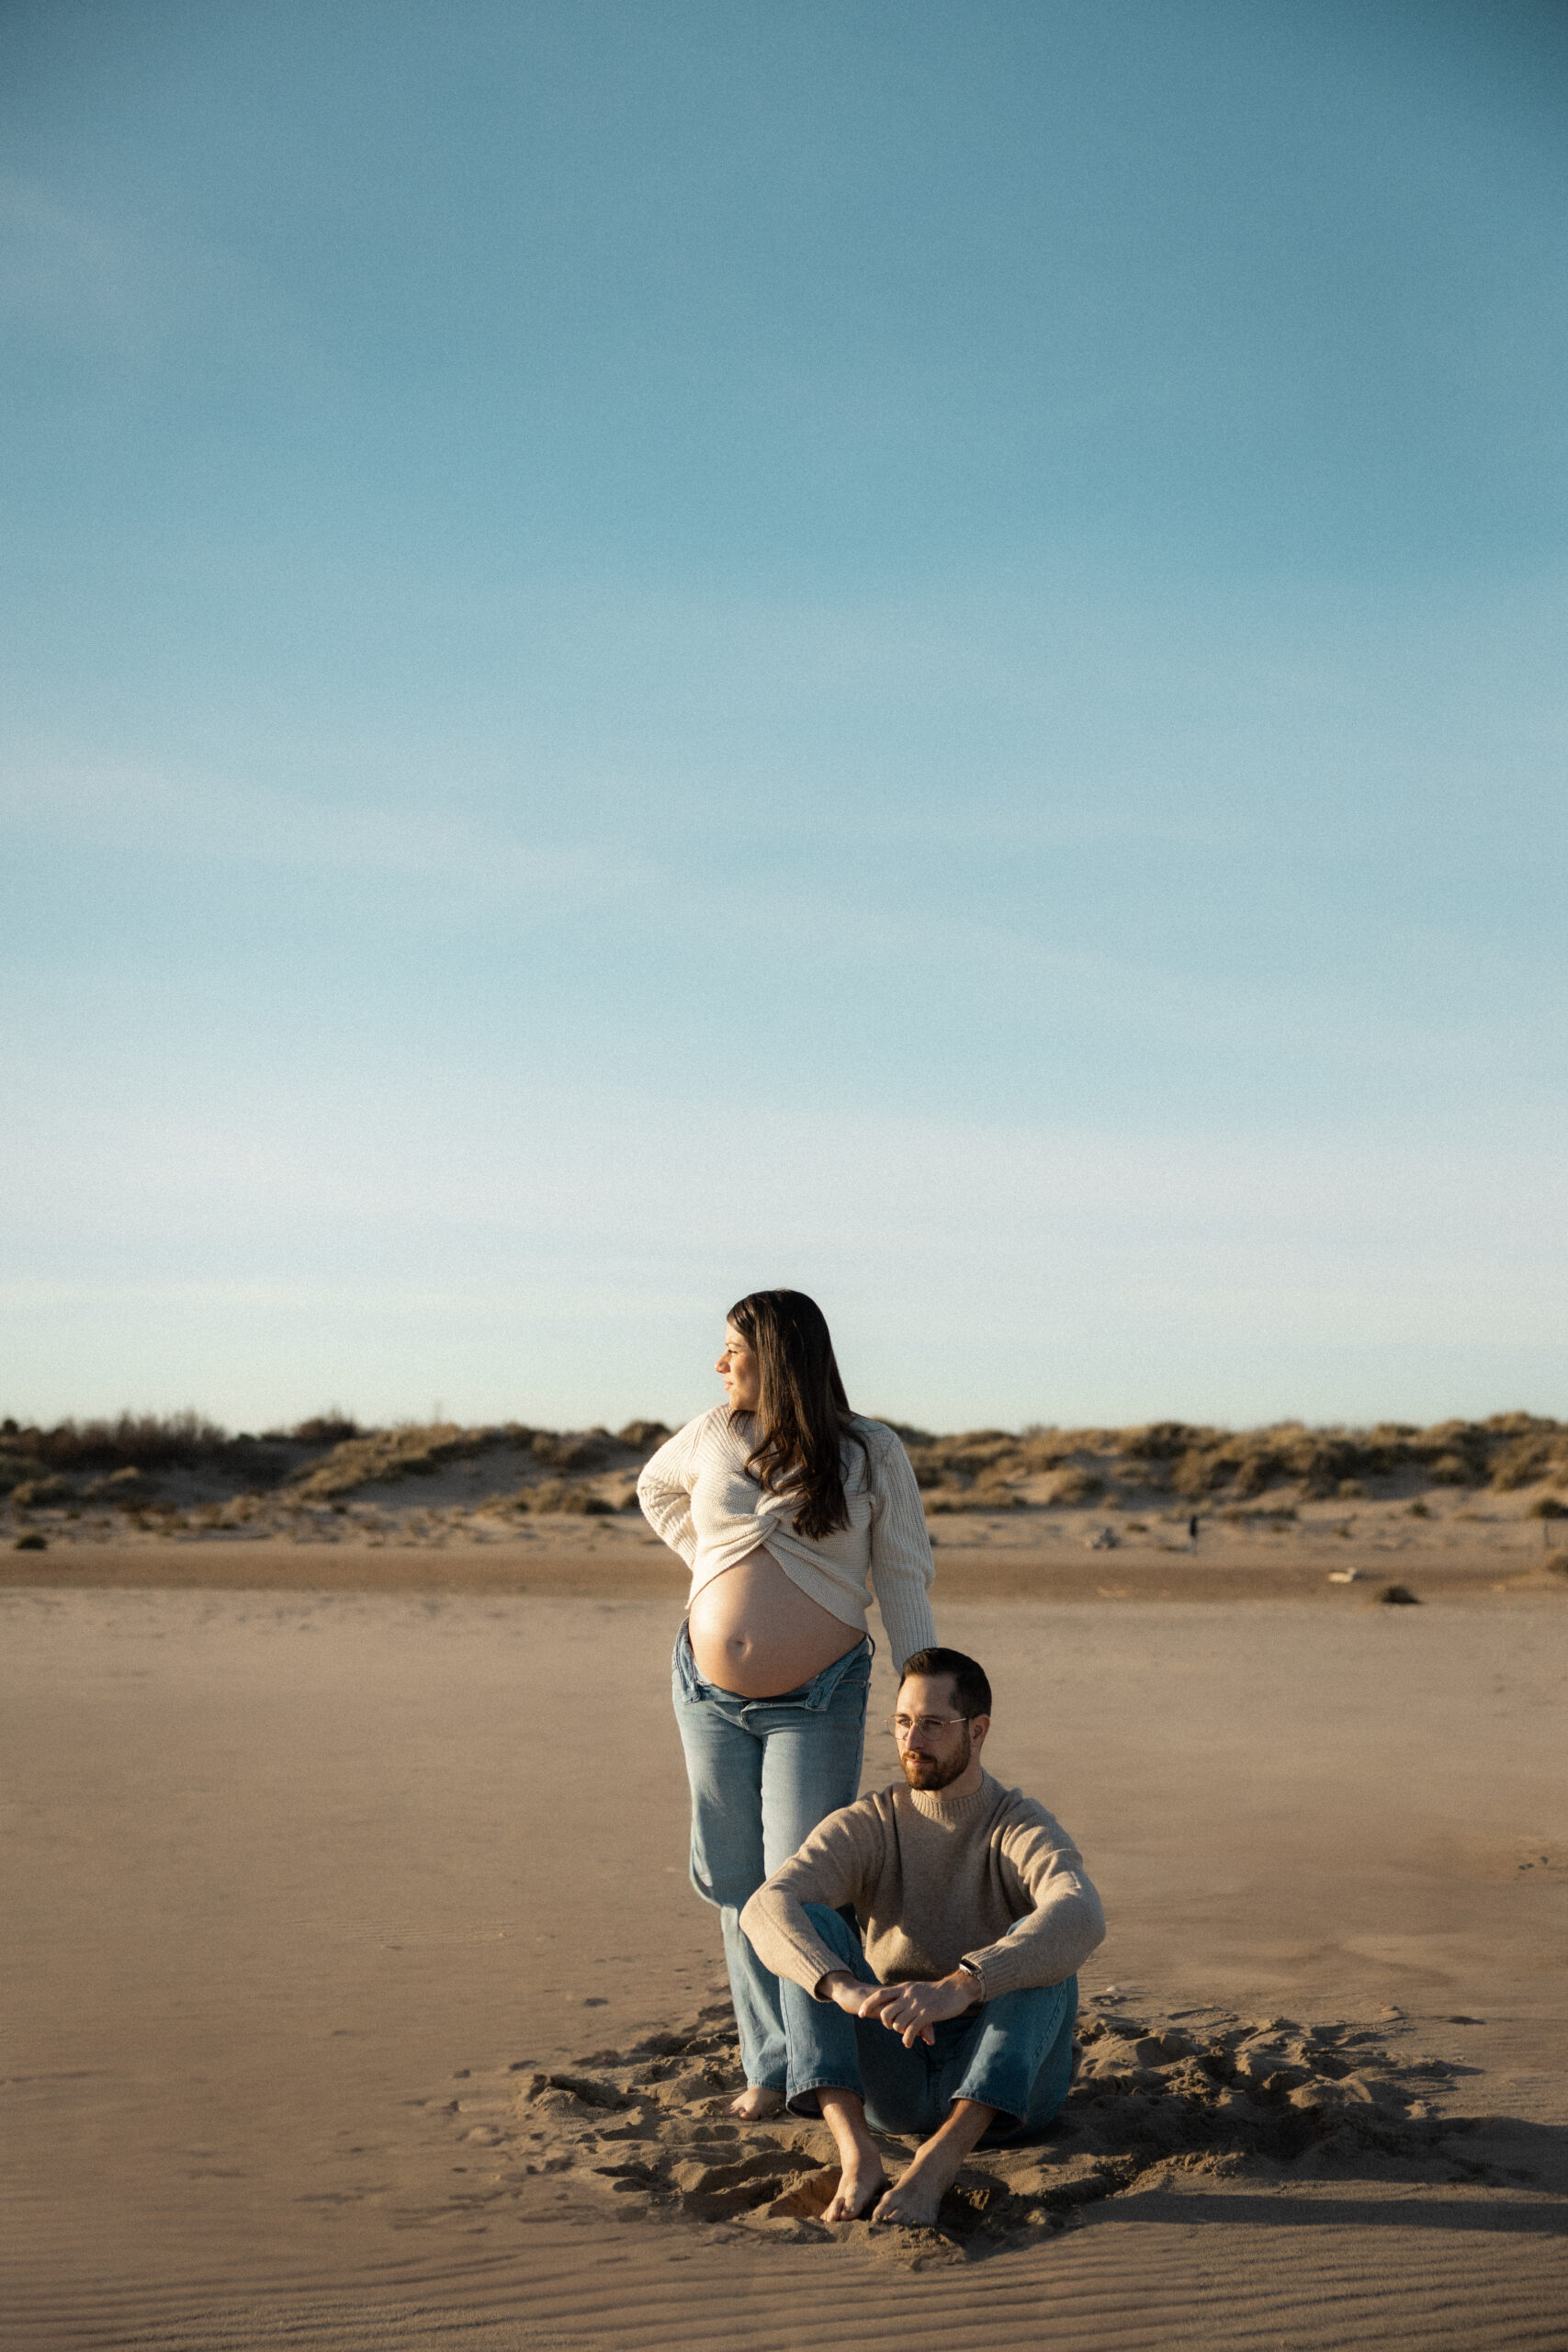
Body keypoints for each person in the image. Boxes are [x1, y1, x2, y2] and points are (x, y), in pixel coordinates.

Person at [639, 1290, 936, 2120]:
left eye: (733, 1349)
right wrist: (713, 1561)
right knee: (735, 1879)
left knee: (797, 1885)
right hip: (705, 1693)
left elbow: (902, 1571)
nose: (718, 1363)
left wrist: (921, 1686)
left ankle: (820, 2069)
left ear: (777, 1355)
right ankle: (768, 2065)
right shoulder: (711, 1433)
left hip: (818, 1698)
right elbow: (655, 1489)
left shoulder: (869, 1450)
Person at [739, 1646, 1104, 2226]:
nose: (912, 1740)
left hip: (1009, 2089)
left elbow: (1082, 1912)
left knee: (1041, 1946)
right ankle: (857, 2154)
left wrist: (964, 1984)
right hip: (896, 2074)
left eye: (933, 1723)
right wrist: (842, 1987)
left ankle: (938, 2161)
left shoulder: (1016, 1823)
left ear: (977, 1731)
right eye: (903, 1721)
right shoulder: (873, 1822)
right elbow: (765, 1906)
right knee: (810, 1932)